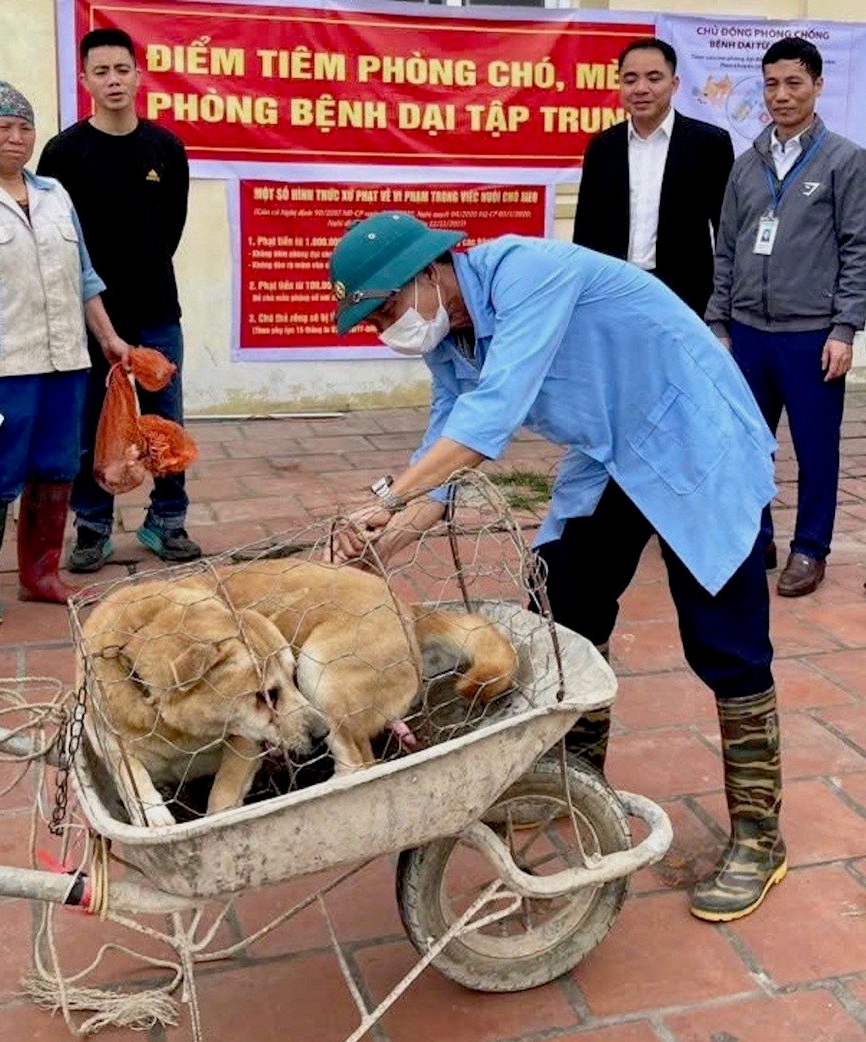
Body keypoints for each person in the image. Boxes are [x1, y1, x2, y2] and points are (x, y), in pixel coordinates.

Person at [327, 211, 785, 923]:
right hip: (611, 455)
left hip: (693, 433)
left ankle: (760, 835)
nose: (388, 328)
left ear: (428, 271)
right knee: (564, 604)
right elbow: (449, 432)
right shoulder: (450, 333)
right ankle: (575, 781)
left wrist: (387, 496)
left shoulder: (528, 275)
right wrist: (389, 536)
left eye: (386, 309)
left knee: (725, 640)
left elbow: (490, 419)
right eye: (373, 321)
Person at [0, 82, 130, 626]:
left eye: (25, 127)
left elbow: (84, 276)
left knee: (58, 467)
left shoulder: (56, 194)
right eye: (2, 127)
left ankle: (40, 576)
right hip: (0, 363)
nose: (17, 138)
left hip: (67, 359)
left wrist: (108, 338)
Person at [706, 37, 866, 597]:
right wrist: (717, 322)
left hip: (811, 336)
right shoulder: (747, 164)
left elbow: (858, 248)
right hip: (747, 334)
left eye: (794, 83)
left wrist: (845, 329)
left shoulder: (846, 161)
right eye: (771, 83)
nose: (781, 95)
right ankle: (760, 539)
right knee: (748, 445)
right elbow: (725, 247)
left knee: (816, 447)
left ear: (818, 87)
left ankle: (810, 548)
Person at [37, 27, 199, 571]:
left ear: (138, 74)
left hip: (157, 312)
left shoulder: (165, 149)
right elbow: (58, 242)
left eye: (121, 69)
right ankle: (92, 526)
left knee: (164, 423)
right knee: (91, 426)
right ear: (84, 80)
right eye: (100, 71)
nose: (112, 80)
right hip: (89, 315)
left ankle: (167, 521)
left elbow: (170, 228)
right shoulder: (64, 153)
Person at [574, 38, 734, 318]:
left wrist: (722, 306)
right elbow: (587, 231)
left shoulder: (710, 144)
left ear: (674, 85)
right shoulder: (602, 147)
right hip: (613, 292)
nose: (641, 89)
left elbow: (726, 230)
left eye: (654, 78)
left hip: (686, 297)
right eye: (630, 79)